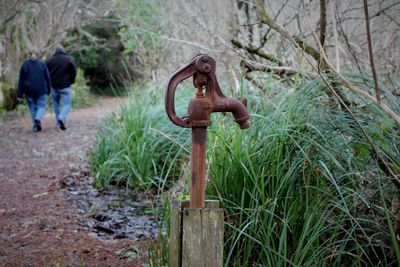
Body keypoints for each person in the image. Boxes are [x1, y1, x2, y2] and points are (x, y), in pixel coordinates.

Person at [17, 49, 51, 132]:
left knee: (32, 108)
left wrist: (19, 94)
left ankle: (35, 126)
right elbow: (48, 78)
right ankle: (38, 119)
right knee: (41, 106)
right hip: (41, 90)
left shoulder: (24, 65)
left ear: (28, 54)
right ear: (37, 54)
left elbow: (21, 80)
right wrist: (49, 90)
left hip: (29, 91)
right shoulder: (42, 64)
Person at [46, 45, 77, 130]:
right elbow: (73, 70)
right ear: (63, 50)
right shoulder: (68, 59)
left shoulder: (49, 61)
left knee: (56, 105)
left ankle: (58, 124)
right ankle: (62, 118)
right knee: (67, 104)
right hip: (65, 85)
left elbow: (46, 73)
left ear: (54, 51)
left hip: (54, 86)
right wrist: (71, 80)